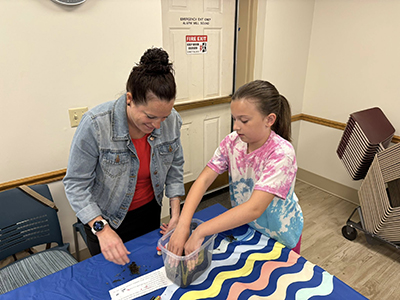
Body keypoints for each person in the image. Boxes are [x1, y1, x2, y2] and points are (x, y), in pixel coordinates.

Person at [63, 47, 185, 265]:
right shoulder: (96, 124)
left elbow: (175, 167)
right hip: (104, 219)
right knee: (111, 281)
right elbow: (75, 184)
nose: (157, 125)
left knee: (148, 271)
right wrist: (101, 229)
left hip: (149, 212)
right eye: (150, 116)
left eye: (164, 117)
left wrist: (176, 214)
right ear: (130, 99)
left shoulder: (172, 120)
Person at [168, 80, 303, 256]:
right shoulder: (232, 142)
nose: (236, 126)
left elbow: (254, 208)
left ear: (269, 120)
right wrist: (183, 224)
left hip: (280, 235)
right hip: (248, 227)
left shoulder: (281, 153)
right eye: (234, 118)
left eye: (244, 120)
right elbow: (204, 180)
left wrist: (201, 230)